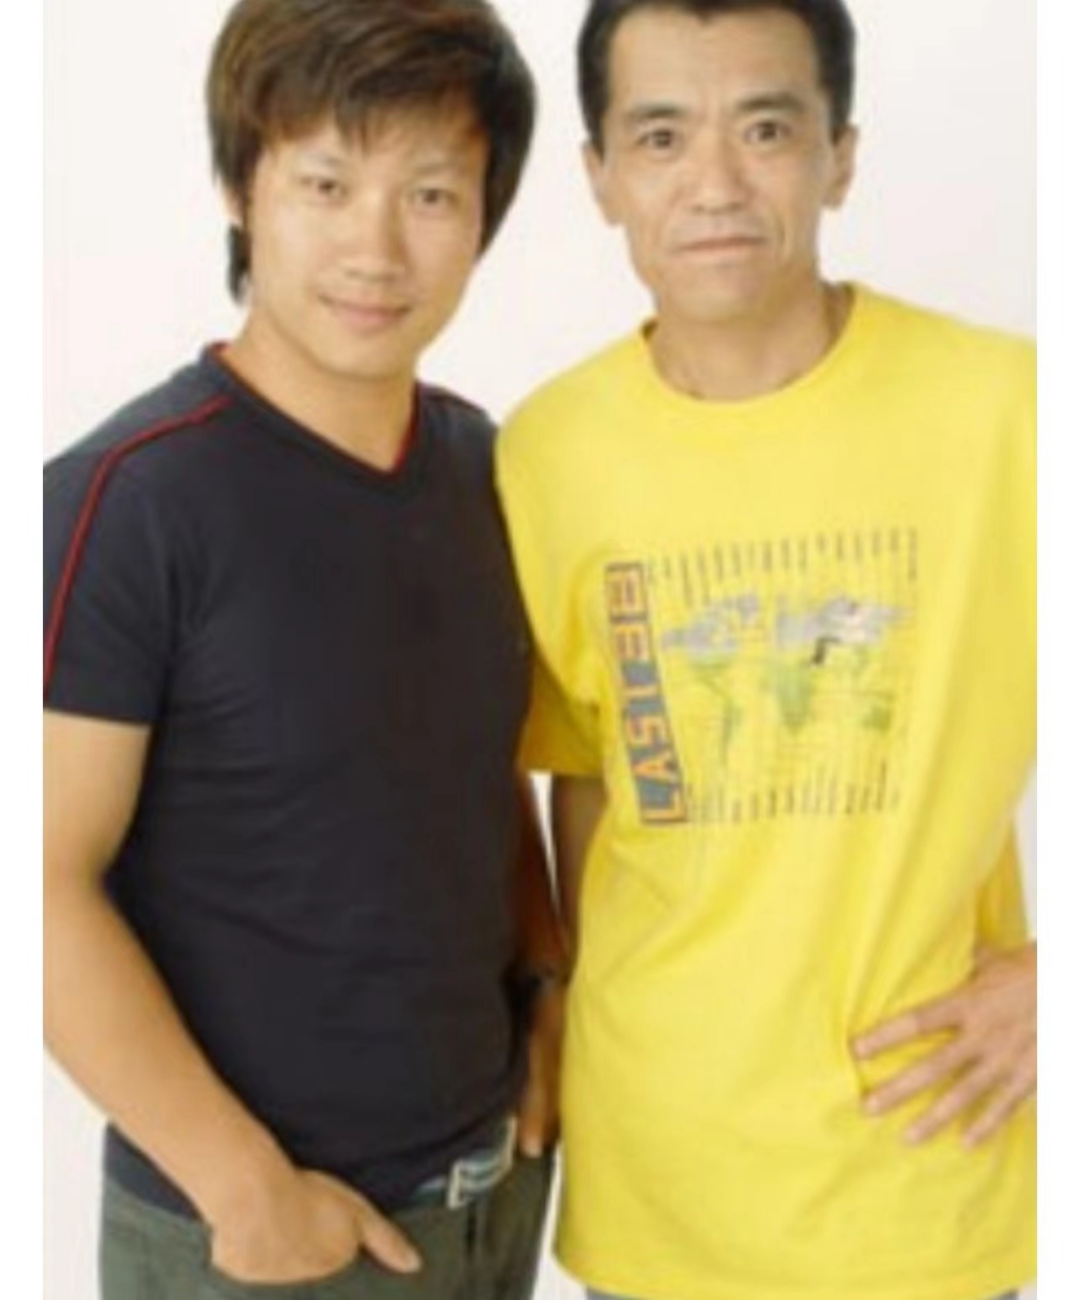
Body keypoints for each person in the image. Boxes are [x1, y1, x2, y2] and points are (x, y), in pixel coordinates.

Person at [495, 2, 1035, 1298]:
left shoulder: (1012, 412)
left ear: (839, 156)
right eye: (662, 137)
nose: (716, 185)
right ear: (600, 177)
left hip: (922, 1176)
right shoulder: (547, 451)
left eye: (767, 129)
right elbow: (584, 772)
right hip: (658, 1185)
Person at [43, 2, 568, 1297]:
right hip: (263, 1241)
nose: (375, 249)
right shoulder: (125, 499)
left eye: (431, 194)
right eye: (326, 184)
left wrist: (549, 985)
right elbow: (34, 882)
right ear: (241, 187)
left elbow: (476, 762)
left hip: (492, 1198)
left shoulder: (483, 465)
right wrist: (245, 1189)